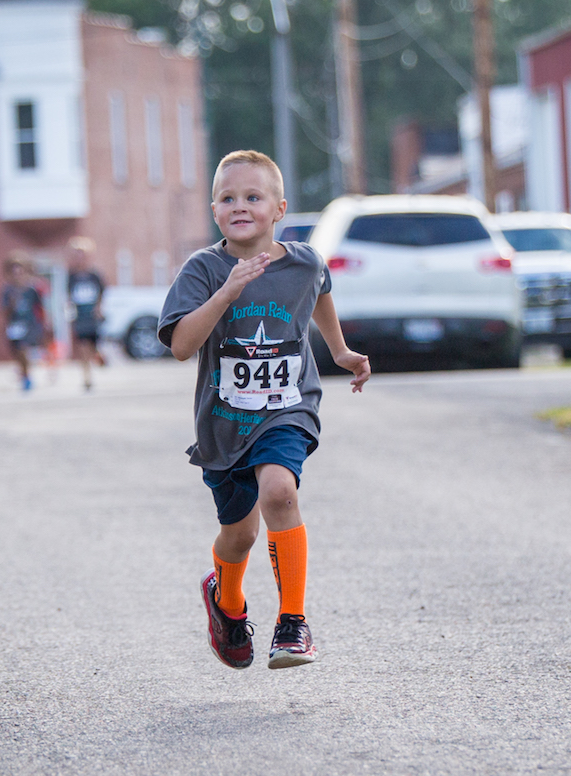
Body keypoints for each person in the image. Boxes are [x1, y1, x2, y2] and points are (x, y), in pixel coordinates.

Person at [158, 150, 371, 670]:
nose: (240, 206)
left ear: (279, 208)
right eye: (228, 198)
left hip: (288, 408)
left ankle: (293, 623)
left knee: (280, 491)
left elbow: (317, 289)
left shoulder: (303, 260)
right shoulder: (204, 269)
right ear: (214, 209)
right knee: (240, 535)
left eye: (253, 197)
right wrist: (227, 292)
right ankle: (226, 603)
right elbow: (182, 345)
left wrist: (339, 351)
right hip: (225, 423)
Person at [66, 236, 106, 391]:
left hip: (92, 317)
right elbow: (69, 297)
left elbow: (102, 293)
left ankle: (98, 356)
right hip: (80, 316)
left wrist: (98, 308)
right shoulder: (71, 277)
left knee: (93, 346)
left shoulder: (94, 275)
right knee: (82, 346)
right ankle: (87, 377)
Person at [0, 251, 44, 392]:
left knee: (24, 349)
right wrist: (12, 305)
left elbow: (39, 307)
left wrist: (43, 324)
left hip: (29, 324)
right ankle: (24, 373)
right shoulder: (7, 290)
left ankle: (27, 377)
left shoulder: (31, 289)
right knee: (17, 352)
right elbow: (4, 311)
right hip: (14, 325)